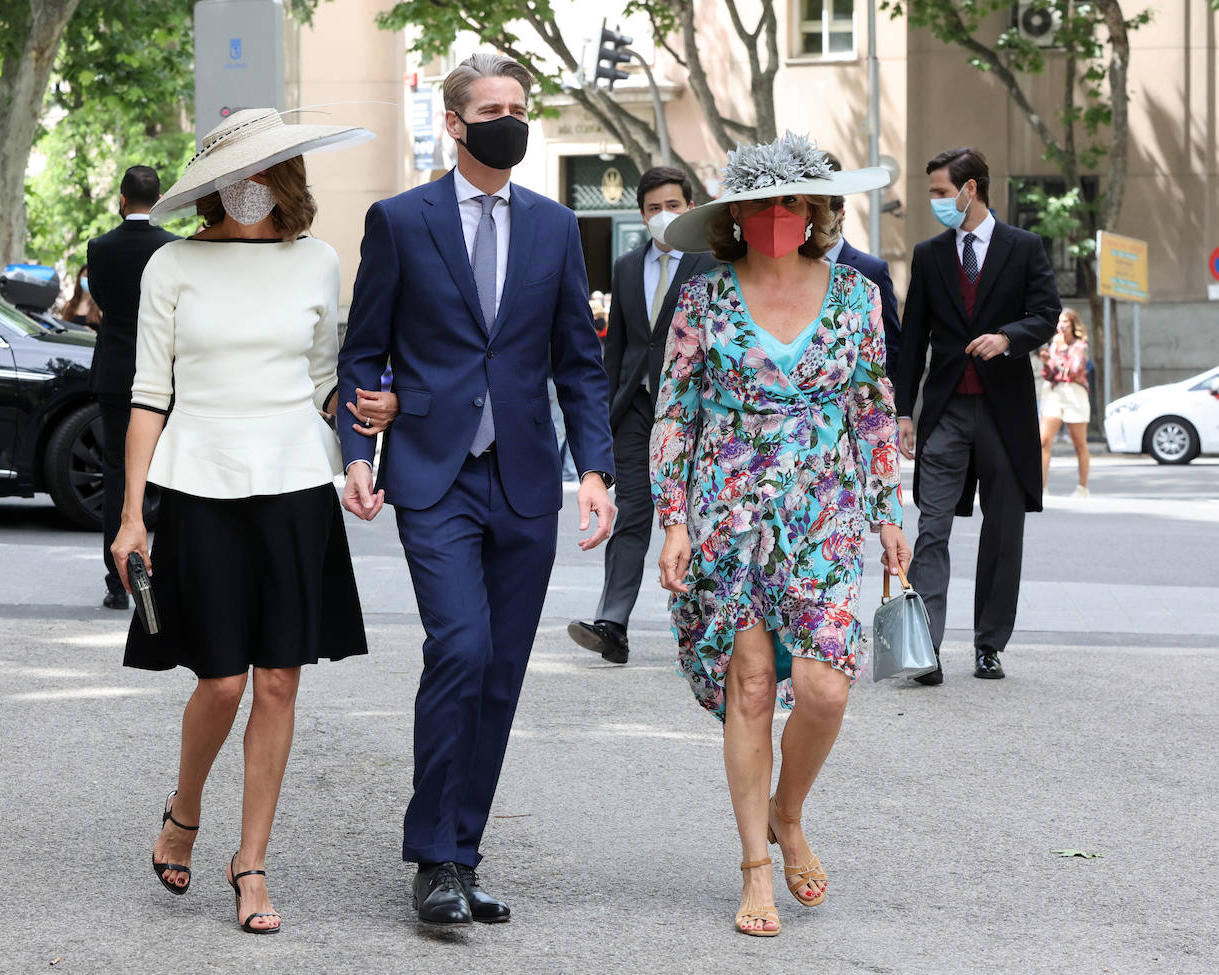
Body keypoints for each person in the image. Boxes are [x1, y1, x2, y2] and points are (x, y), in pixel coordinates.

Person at [337, 52, 616, 928]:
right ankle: (430, 855)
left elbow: (578, 362)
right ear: (454, 123)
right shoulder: (399, 220)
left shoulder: (556, 227)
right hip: (433, 473)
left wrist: (597, 471)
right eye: (491, 107)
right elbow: (362, 351)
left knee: (500, 671)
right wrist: (356, 447)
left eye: (519, 106)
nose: (510, 119)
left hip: (527, 476)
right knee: (459, 645)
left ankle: (462, 853)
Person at [111, 109, 380, 935]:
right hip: (199, 486)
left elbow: (323, 381)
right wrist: (131, 516)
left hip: (298, 485)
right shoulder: (175, 266)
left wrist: (364, 425)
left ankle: (251, 860)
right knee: (222, 679)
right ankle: (184, 805)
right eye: (240, 171)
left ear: (288, 177)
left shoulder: (317, 262)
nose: (254, 186)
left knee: (279, 681)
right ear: (214, 184)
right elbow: (148, 393)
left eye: (269, 169)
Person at [652, 132, 909, 937]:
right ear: (735, 214)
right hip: (727, 509)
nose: (777, 215)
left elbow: (872, 407)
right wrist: (672, 522)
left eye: (793, 201)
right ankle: (754, 867)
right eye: (761, 202)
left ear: (819, 210)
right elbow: (674, 411)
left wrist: (888, 511)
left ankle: (785, 810)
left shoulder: (856, 294)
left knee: (828, 687)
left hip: (824, 509)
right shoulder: (703, 296)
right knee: (753, 686)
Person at [895, 146, 1061, 684]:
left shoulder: (1024, 247)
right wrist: (902, 410)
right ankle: (925, 649)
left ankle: (990, 644)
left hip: (1005, 412)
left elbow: (1047, 314)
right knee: (932, 530)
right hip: (945, 411)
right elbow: (913, 336)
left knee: (1003, 532)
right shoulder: (929, 254)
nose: (936, 202)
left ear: (972, 190)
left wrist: (1008, 337)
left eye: (942, 192)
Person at [568, 166, 717, 665]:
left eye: (673, 205)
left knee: (697, 519)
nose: (663, 215)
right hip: (635, 407)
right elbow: (622, 346)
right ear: (641, 214)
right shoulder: (628, 265)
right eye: (653, 208)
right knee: (631, 513)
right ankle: (612, 623)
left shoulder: (713, 262)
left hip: (695, 412)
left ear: (690, 207)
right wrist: (604, 417)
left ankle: (704, 627)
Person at [86, 167, 180, 610]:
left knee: (117, 474)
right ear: (158, 199)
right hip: (162, 374)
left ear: (121, 200)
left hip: (116, 372)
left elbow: (101, 300)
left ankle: (115, 581)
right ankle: (166, 569)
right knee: (170, 472)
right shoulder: (173, 248)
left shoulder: (100, 247)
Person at [821, 154, 902, 374]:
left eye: (822, 211)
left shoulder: (872, 270)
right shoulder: (790, 269)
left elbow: (891, 344)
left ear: (840, 213)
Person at [1039, 308, 1091, 497]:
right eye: (1059, 322)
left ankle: (1082, 488)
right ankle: (1042, 487)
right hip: (1054, 391)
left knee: (1079, 443)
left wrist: (1058, 355)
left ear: (1073, 325)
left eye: (1066, 322)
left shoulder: (1081, 345)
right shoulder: (1054, 344)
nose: (1061, 325)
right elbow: (1050, 374)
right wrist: (1046, 362)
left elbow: (1075, 369)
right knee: (1043, 441)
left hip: (1074, 393)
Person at [60, 263, 102, 329]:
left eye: (91, 277)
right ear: (79, 277)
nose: (88, 279)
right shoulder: (68, 306)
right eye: (85, 276)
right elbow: (61, 330)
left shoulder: (101, 308)